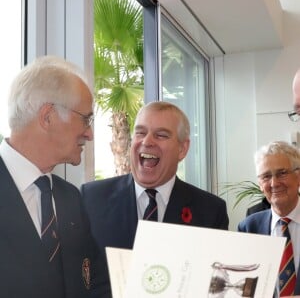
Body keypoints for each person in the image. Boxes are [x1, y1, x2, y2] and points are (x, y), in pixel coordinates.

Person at [81, 101, 229, 297]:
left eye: (161, 135)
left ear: (182, 149)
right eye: (140, 132)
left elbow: (215, 288)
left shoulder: (211, 211)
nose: (147, 141)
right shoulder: (91, 198)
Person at [0, 55, 102, 298]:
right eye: (86, 119)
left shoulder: (71, 199)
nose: (89, 134)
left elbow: (95, 283)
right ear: (48, 116)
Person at [238, 141, 300, 296]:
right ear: (260, 184)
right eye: (266, 176)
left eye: (282, 173)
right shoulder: (248, 228)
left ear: (298, 176)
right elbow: (244, 289)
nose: (274, 183)